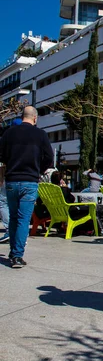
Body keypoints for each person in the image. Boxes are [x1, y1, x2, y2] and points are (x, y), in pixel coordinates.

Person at [0, 106, 53, 268]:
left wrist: (11, 164)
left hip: (12, 180)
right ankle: (17, 255)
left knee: (14, 217)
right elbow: (49, 157)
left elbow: (1, 155)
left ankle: (13, 251)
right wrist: (39, 169)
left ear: (22, 116)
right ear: (35, 118)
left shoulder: (9, 133)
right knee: (23, 219)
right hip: (30, 180)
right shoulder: (40, 135)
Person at [0, 165, 9, 242]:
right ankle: (22, 235)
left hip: (11, 175)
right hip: (29, 178)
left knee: (3, 202)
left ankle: (10, 230)